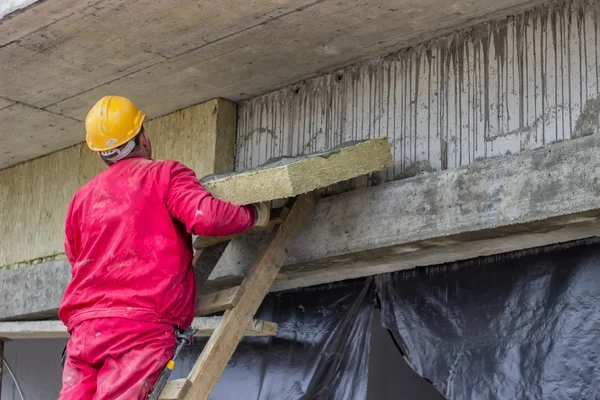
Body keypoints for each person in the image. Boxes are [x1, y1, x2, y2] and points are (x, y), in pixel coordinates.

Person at [57, 95, 269, 399]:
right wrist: (253, 215)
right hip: (140, 329)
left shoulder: (82, 198)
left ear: (101, 154)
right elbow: (205, 217)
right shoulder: (163, 174)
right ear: (142, 135)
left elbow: (77, 257)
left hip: (85, 332)